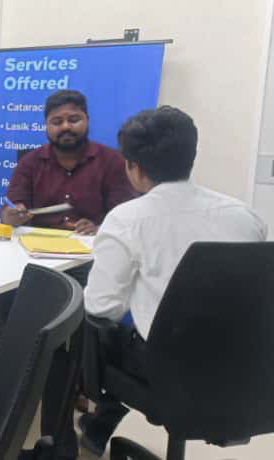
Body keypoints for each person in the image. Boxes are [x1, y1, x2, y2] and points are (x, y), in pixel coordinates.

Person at [78, 106, 267, 456]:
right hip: (247, 370)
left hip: (170, 375)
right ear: (190, 156)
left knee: (91, 325)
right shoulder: (244, 215)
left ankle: (98, 417)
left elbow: (102, 306)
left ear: (134, 167)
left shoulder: (127, 220)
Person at [0, 89, 139, 340]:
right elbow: (8, 213)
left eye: (74, 119)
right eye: (57, 121)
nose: (66, 126)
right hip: (34, 255)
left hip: (86, 256)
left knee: (84, 301)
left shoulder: (111, 161)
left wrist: (99, 227)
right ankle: (12, 347)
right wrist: (12, 216)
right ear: (46, 126)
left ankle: (76, 352)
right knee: (9, 283)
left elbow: (124, 216)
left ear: (87, 120)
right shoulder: (30, 162)